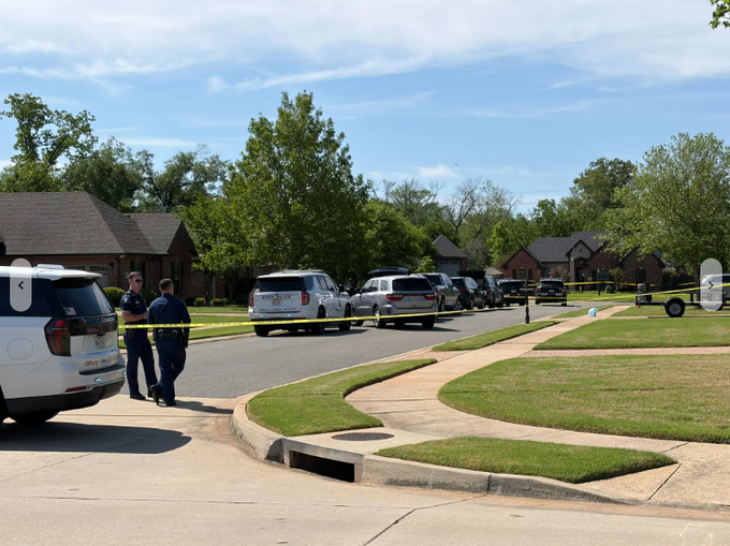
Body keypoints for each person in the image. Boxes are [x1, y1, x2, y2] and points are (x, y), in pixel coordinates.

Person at [147, 278, 191, 407]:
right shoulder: (178, 303)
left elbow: (150, 323)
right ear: (171, 288)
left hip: (160, 341)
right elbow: (187, 321)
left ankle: (167, 397)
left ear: (160, 289)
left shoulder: (154, 304)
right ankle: (159, 387)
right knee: (179, 365)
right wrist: (185, 336)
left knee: (165, 369)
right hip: (175, 340)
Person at [120, 271, 157, 401]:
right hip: (133, 335)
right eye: (137, 280)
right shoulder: (127, 298)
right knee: (133, 365)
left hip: (143, 334)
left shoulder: (140, 297)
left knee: (149, 363)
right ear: (130, 281)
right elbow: (125, 317)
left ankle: (153, 390)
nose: (140, 283)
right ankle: (134, 391)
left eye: (141, 280)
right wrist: (142, 316)